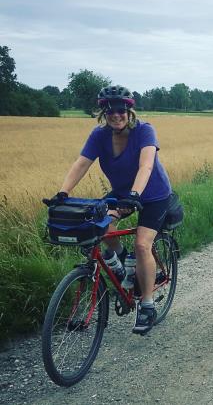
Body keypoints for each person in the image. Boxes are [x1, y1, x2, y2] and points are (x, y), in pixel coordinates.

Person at [47, 85, 173, 335]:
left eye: (121, 110)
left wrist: (135, 196)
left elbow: (146, 166)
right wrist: (63, 192)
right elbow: (82, 163)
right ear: (103, 112)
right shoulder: (99, 135)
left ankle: (146, 305)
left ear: (129, 110)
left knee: (142, 245)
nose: (116, 115)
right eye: (110, 110)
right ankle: (123, 266)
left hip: (154, 194)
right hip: (122, 193)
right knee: (100, 225)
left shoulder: (144, 131)